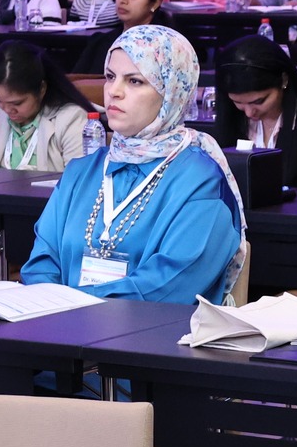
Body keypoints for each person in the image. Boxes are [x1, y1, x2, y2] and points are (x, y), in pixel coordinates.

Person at [22, 26, 244, 302]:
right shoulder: (81, 171)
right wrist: (52, 307)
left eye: (135, 81)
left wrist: (74, 305)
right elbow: (41, 264)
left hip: (155, 329)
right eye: (110, 77)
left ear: (172, 92)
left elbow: (168, 287)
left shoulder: (202, 181)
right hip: (59, 323)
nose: (114, 91)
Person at [212, 35, 297, 190]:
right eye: (238, 103)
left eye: (259, 101)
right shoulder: (231, 115)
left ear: (284, 80)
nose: (249, 113)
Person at [0, 41, 93, 171]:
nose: (7, 110)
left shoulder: (71, 119)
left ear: (42, 89)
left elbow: (79, 179)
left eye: (17, 103)